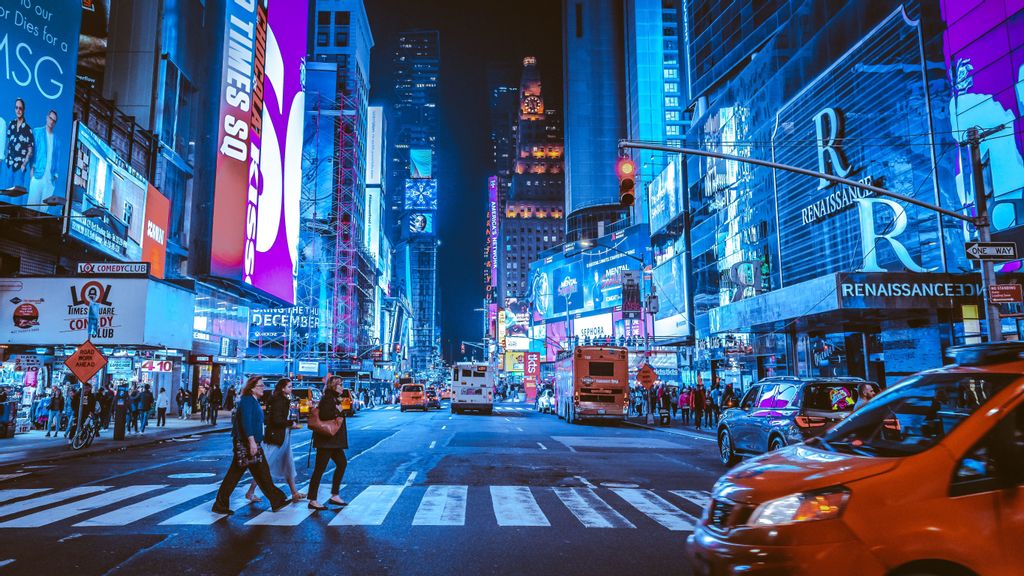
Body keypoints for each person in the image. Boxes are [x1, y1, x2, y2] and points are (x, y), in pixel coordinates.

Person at [211, 376, 288, 515]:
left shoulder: (253, 401)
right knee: (240, 474)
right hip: (247, 443)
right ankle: (220, 504)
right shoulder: (247, 401)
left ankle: (277, 500)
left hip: (251, 443)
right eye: (261, 385)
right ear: (252, 388)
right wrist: (252, 442)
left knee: (261, 472)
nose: (263, 388)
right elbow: (246, 421)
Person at [246, 378, 305, 504]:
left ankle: (294, 493)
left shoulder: (282, 399)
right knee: (264, 466)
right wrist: (291, 423)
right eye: (289, 387)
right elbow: (276, 420)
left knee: (288, 465)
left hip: (283, 437)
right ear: (282, 388)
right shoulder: (280, 400)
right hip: (276, 438)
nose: (291, 388)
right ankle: (250, 492)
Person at [308, 376, 349, 511]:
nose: (342, 387)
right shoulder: (327, 398)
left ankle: (335, 495)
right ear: (333, 386)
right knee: (320, 469)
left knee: (342, 463)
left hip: (333, 441)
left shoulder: (334, 398)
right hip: (326, 441)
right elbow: (325, 415)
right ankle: (313, 499)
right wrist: (339, 411)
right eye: (340, 385)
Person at [27, 109, 60, 211]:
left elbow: (57, 158)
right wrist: (32, 167)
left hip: (49, 179)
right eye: (50, 118)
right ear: (47, 117)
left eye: (54, 120)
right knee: (31, 208)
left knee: (43, 211)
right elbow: (32, 151)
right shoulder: (37, 132)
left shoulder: (57, 141)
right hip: (37, 174)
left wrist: (56, 175)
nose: (51, 121)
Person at [3, 98, 33, 193]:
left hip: (20, 167)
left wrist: (24, 165)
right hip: (9, 164)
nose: (18, 110)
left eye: (20, 108)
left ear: (23, 110)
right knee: (6, 194)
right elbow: (8, 142)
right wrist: (6, 156)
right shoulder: (11, 124)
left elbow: (30, 151)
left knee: (16, 196)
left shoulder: (28, 129)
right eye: (16, 108)